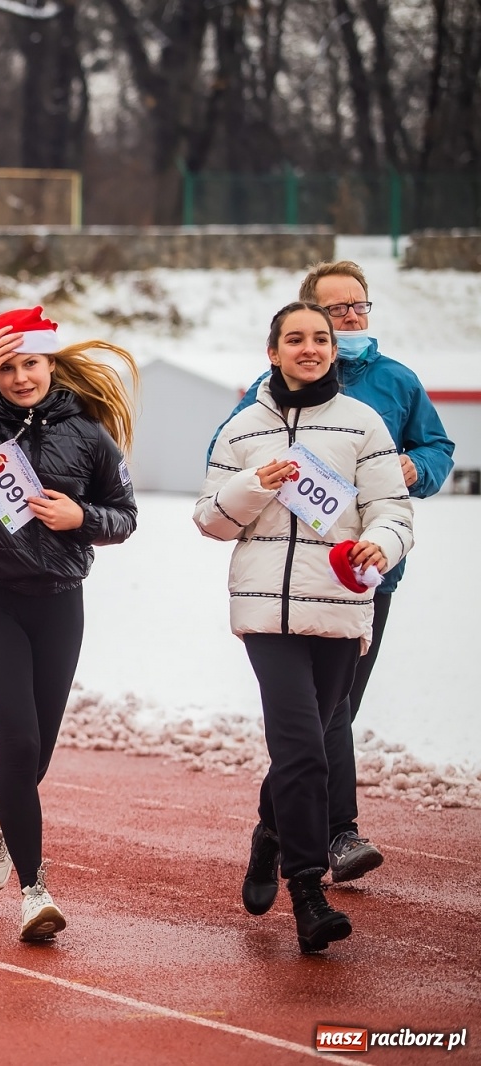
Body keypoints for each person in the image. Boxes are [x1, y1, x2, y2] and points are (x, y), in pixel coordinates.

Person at [208, 261, 453, 885]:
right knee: (319, 720)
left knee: (328, 714)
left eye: (358, 308)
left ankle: (278, 829)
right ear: (305, 315)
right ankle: (336, 833)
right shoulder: (268, 389)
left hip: (363, 579)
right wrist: (256, 481)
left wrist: (412, 471)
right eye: (335, 310)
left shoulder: (395, 383)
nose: (349, 320)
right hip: (282, 584)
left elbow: (437, 449)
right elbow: (225, 459)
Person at [0, 307, 138, 942]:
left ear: (51, 364)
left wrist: (82, 518)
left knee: (35, 751)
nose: (19, 377)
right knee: (17, 742)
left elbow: (125, 514)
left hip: (61, 602)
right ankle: (34, 891)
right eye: (6, 366)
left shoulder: (89, 435)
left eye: (29, 363)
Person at [195, 302, 412, 954]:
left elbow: (391, 512)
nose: (310, 348)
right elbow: (210, 518)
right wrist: (254, 486)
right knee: (304, 748)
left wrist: (380, 544)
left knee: (310, 742)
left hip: (340, 609)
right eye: (296, 339)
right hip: (265, 611)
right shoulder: (243, 429)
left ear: (332, 352)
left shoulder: (361, 423)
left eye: (320, 339)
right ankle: (308, 893)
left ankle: (269, 834)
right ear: (274, 351)